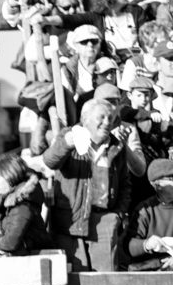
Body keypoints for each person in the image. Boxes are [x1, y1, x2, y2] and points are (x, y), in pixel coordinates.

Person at [42, 99, 146, 272]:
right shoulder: (69, 135)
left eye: (110, 118)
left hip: (104, 220)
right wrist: (66, 143)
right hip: (71, 221)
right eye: (101, 117)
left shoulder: (116, 146)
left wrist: (117, 215)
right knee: (76, 277)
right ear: (85, 119)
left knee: (106, 279)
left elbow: (125, 185)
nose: (107, 122)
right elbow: (49, 161)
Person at [0, 153, 52, 258]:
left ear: (10, 177)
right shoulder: (15, 201)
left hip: (32, 266)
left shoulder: (22, 205)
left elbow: (10, 243)